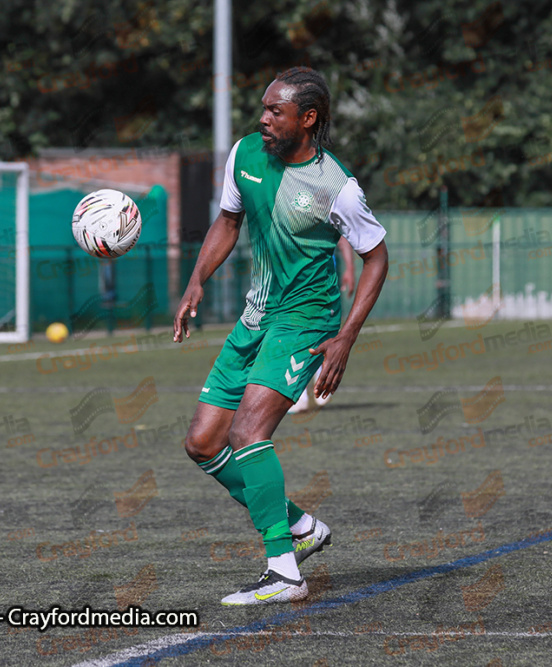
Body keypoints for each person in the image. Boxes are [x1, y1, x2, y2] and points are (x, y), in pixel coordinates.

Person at [173, 66, 389, 605]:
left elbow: (377, 258)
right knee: (202, 442)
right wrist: (197, 280)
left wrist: (345, 338)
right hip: (256, 316)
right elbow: (227, 222)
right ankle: (300, 527)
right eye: (263, 108)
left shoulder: (335, 186)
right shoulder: (245, 153)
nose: (264, 118)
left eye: (276, 111)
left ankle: (285, 572)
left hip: (306, 322)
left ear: (308, 118)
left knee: (247, 432)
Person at [288, 237, 355, 414]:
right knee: (302, 335)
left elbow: (341, 237)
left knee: (303, 335)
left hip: (319, 282)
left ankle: (305, 392)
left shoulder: (321, 212)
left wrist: (349, 267)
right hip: (295, 282)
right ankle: (318, 380)